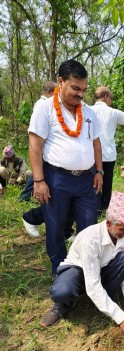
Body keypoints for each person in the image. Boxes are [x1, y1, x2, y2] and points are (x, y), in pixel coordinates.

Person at [28, 59, 103, 276]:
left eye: (84, 90)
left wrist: (99, 171)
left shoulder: (88, 112)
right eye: (75, 88)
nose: (80, 94)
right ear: (61, 82)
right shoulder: (44, 108)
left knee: (89, 226)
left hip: (86, 179)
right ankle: (60, 272)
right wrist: (39, 181)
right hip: (56, 178)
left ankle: (85, 270)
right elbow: (35, 145)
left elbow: (96, 143)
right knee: (56, 226)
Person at [41, 191, 124, 345]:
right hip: (78, 271)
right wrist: (121, 319)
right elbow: (93, 285)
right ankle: (62, 306)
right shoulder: (90, 239)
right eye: (123, 229)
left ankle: (99, 301)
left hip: (101, 270)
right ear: (108, 223)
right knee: (63, 291)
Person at [91, 86, 124, 213]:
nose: (111, 100)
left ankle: (96, 208)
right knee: (107, 182)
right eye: (110, 97)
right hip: (108, 155)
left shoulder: (87, 110)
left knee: (93, 181)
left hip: (93, 155)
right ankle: (105, 207)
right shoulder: (113, 112)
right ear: (106, 97)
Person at [21, 81, 58, 236]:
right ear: (50, 91)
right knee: (48, 190)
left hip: (50, 155)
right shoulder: (42, 105)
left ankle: (65, 230)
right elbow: (37, 136)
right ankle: (31, 216)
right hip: (45, 155)